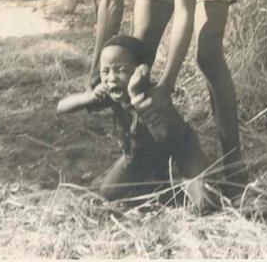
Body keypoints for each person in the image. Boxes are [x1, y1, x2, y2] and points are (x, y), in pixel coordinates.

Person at [89, 0, 247, 199]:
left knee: (208, 53)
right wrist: (95, 71)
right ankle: (146, 158)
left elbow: (184, 11)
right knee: (137, 55)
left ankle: (233, 162)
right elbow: (110, 2)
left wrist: (167, 86)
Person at [58, 36, 216, 214]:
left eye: (120, 70)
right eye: (105, 71)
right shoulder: (111, 93)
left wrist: (135, 98)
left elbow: (163, 136)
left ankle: (176, 184)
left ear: (140, 71)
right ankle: (156, 181)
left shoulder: (153, 97)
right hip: (138, 155)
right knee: (106, 195)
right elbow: (61, 107)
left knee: (205, 203)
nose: (111, 78)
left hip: (182, 151)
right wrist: (89, 96)